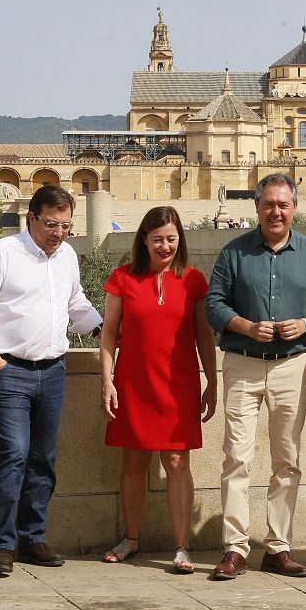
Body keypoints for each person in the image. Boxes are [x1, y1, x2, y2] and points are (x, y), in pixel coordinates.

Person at [205, 174, 306, 580]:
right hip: (242, 363)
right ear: (257, 207)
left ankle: (278, 547)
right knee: (236, 458)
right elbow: (213, 304)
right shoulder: (234, 252)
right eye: (268, 204)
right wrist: (243, 325)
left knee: (287, 460)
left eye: (283, 204)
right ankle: (235, 547)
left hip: (291, 366)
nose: (275, 211)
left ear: (294, 208)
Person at [0, 185, 102, 576]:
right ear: (31, 218)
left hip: (53, 371)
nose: (59, 233)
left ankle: (33, 538)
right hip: (7, 369)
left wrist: (105, 330)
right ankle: (2, 544)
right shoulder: (1, 253)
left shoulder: (66, 256)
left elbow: (75, 302)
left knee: (43, 458)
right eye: (51, 224)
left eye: (66, 225)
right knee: (13, 452)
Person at [100, 206, 217, 573]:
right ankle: (130, 539)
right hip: (133, 383)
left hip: (178, 384)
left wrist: (212, 381)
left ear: (179, 239)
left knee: (178, 462)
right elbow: (108, 334)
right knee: (134, 461)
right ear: (144, 241)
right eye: (157, 239)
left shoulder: (195, 280)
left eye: (170, 238)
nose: (164, 245)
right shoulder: (122, 278)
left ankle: (182, 547)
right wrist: (107, 380)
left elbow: (203, 335)